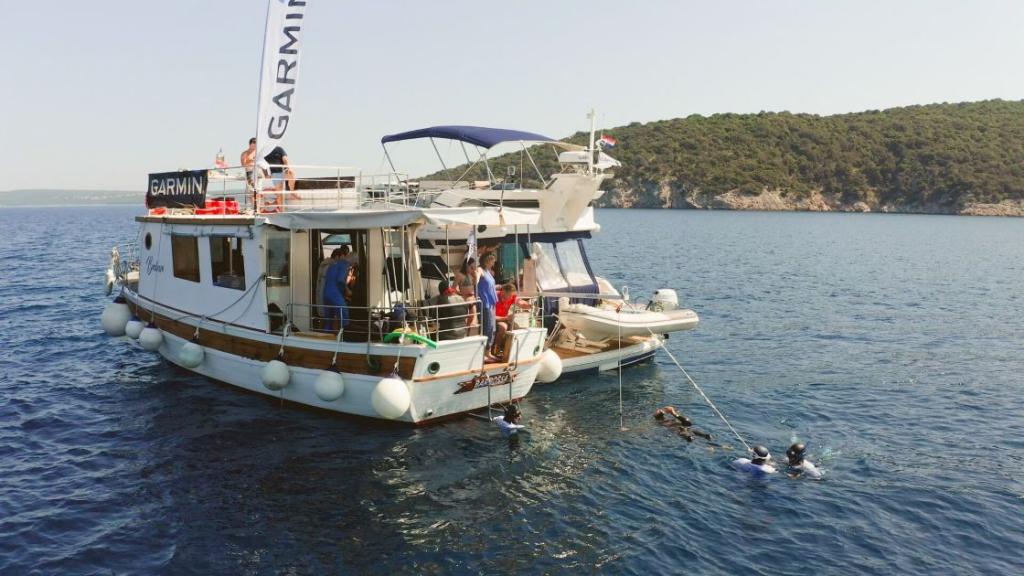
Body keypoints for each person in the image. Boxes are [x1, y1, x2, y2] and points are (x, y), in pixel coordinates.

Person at [477, 253, 499, 362]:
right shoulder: (480, 270)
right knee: (488, 327)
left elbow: (490, 286)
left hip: (491, 302)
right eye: (492, 260)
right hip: (485, 303)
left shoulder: (488, 272)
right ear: (487, 260)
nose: (494, 262)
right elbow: (477, 279)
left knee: (492, 328)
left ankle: (488, 352)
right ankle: (485, 353)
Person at [322, 254, 351, 332]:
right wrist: (347, 290)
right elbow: (340, 280)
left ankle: (326, 335)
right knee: (344, 314)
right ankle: (345, 334)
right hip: (334, 293)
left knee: (329, 319)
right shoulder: (344, 265)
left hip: (325, 293)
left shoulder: (333, 264)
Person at [455, 257, 479, 335]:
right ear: (466, 266)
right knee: (464, 320)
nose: (473, 269)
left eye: (474, 267)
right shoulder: (460, 275)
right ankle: (463, 334)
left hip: (472, 300)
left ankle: (468, 334)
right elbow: (453, 288)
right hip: (464, 300)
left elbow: (475, 285)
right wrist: (461, 294)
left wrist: (475, 276)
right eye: (471, 267)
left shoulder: (472, 275)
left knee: (472, 319)